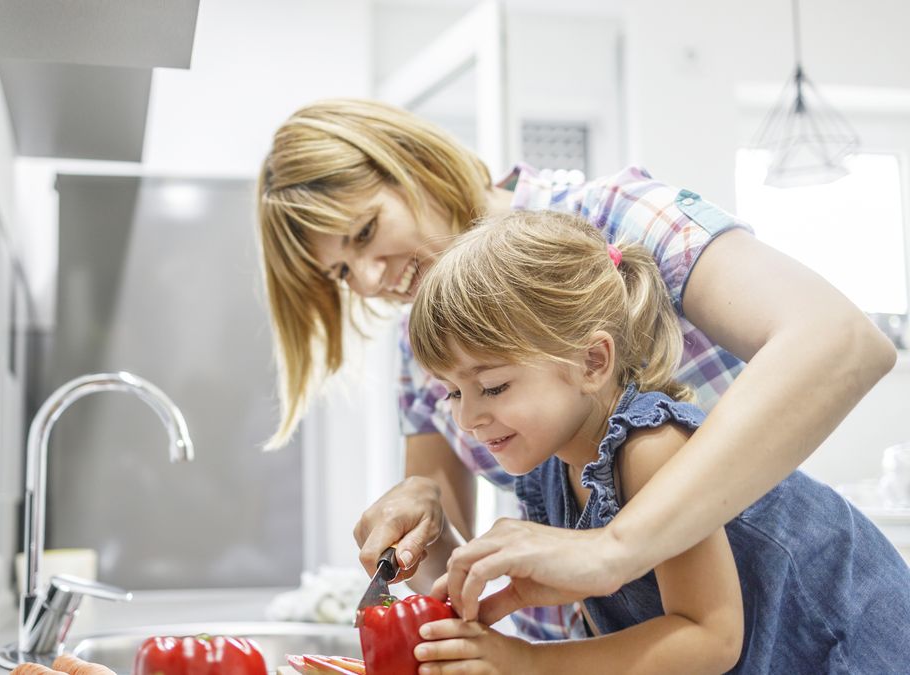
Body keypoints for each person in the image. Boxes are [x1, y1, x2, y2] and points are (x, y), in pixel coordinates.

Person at [255, 98, 896, 635]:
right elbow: (450, 574)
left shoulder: (618, 218)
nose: (368, 279)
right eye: (340, 272)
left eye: (365, 232)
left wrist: (615, 549)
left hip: (795, 629)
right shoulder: (415, 346)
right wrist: (426, 508)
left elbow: (840, 342)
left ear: (413, 163)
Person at [404, 210, 910, 673]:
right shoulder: (554, 473)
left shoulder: (650, 447)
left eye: (493, 387)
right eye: (452, 392)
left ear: (592, 363)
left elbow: (708, 639)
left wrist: (528, 663)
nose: (468, 418)